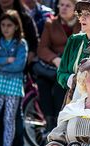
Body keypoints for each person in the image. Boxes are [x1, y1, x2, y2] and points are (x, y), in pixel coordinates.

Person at [0, 0, 39, 146]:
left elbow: (20, 62)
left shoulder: (24, 19)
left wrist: (0, 62)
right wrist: (7, 60)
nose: (5, 28)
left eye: (9, 25)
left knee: (11, 117)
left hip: (15, 82)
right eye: (2, 25)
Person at [36, 0, 80, 132]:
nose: (63, 8)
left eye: (68, 5)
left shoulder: (81, 24)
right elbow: (42, 48)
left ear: (75, 9)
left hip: (72, 67)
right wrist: (54, 59)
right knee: (42, 83)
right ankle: (50, 123)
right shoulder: (51, 23)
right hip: (54, 65)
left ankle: (59, 121)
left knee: (60, 84)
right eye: (61, 5)